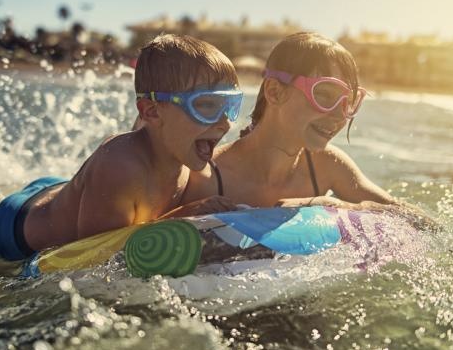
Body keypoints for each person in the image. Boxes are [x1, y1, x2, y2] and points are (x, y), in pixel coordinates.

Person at [0, 34, 241, 261]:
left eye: (231, 107)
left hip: (67, 194)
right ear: (151, 112)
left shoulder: (176, 143)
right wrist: (185, 216)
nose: (225, 123)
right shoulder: (120, 165)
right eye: (206, 106)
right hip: (16, 227)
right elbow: (93, 257)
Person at [182, 32, 433, 226]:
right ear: (274, 92)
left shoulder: (326, 165)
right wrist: (186, 213)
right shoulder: (205, 177)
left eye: (350, 102)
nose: (339, 115)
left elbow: (419, 221)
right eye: (324, 94)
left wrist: (330, 205)